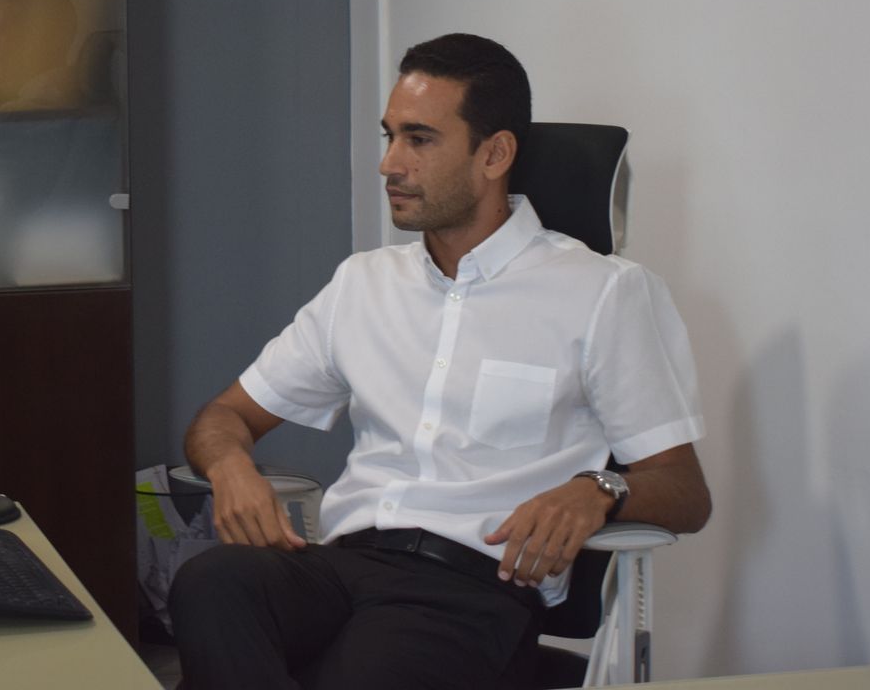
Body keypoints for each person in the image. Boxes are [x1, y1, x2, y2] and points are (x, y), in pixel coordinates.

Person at [169, 34, 710, 690]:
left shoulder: (602, 293)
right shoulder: (362, 285)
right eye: (389, 135)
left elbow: (685, 490)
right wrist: (229, 467)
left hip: (472, 591)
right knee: (212, 582)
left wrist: (598, 489)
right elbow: (223, 417)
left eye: (419, 139)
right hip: (343, 564)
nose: (389, 164)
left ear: (495, 153)